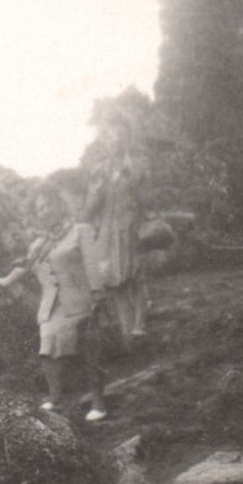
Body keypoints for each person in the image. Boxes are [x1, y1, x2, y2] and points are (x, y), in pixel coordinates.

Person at [0, 183, 107, 421]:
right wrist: (5, 282)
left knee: (91, 351)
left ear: (58, 206)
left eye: (48, 205)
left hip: (81, 300)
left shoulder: (80, 231)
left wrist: (98, 295)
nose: (45, 211)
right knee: (47, 345)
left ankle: (99, 403)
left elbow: (92, 263)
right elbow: (26, 265)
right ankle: (55, 400)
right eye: (40, 208)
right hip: (52, 306)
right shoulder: (39, 244)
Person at [81, 113, 148, 341]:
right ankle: (127, 332)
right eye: (111, 135)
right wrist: (96, 191)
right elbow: (91, 206)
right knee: (115, 282)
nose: (116, 140)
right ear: (106, 140)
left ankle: (140, 325)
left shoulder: (137, 166)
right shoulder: (99, 169)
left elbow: (145, 200)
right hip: (108, 232)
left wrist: (132, 181)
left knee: (135, 276)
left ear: (128, 138)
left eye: (121, 135)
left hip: (130, 228)